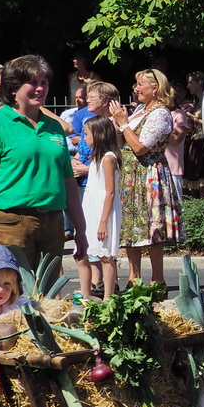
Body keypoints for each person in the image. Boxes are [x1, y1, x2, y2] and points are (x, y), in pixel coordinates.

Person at [0, 55, 89, 275]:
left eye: (44, 83)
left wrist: (81, 229)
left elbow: (68, 182)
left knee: (47, 293)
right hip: (10, 221)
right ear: (13, 89)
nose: (40, 88)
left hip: (53, 220)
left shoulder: (53, 127)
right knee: (13, 289)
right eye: (33, 83)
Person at [108, 69, 182, 288]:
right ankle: (134, 279)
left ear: (155, 88)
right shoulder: (141, 109)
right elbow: (125, 140)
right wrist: (118, 124)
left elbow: (140, 147)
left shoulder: (160, 113)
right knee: (132, 227)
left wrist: (124, 124)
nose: (136, 88)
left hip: (150, 175)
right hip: (132, 175)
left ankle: (157, 279)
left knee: (152, 228)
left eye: (140, 84)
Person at [80, 115, 123, 297]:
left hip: (103, 210)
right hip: (92, 208)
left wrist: (103, 221)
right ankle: (87, 293)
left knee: (106, 255)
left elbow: (110, 191)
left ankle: (108, 296)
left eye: (86, 134)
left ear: (98, 135)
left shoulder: (108, 159)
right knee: (87, 252)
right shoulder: (96, 158)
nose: (84, 138)